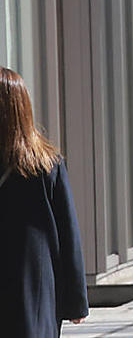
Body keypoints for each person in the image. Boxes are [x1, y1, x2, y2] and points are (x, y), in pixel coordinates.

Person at [0, 67, 89, 337]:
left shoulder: (45, 167)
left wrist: (76, 302)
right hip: (34, 291)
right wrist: (75, 303)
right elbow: (68, 234)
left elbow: (67, 233)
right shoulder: (46, 166)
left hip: (30, 291)